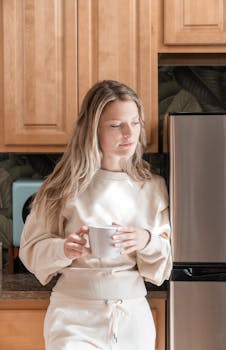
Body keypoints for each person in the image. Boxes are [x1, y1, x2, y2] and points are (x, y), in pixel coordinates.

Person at [19, 80, 172, 350]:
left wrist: (146, 240)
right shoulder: (62, 187)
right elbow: (30, 251)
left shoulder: (153, 188)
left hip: (133, 317)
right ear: (93, 129)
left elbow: (163, 267)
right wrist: (65, 249)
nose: (129, 133)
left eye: (135, 123)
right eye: (116, 125)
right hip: (73, 315)